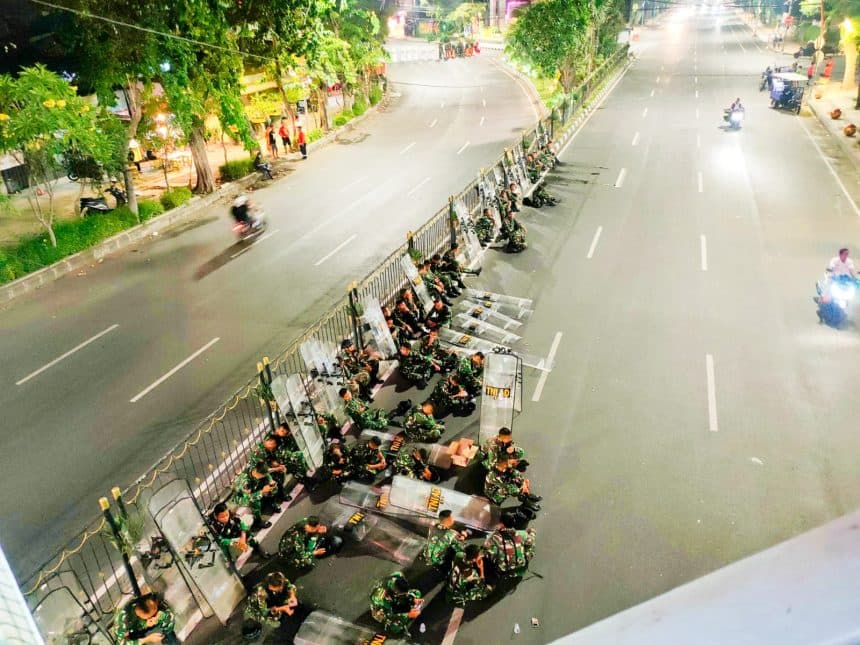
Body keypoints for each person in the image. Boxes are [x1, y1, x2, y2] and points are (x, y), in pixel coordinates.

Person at [483, 512, 536, 581]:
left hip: (504, 571)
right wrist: (532, 531)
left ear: (501, 524)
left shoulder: (495, 538)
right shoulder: (521, 534)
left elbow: (485, 550)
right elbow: (531, 540)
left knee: (489, 553)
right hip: (520, 569)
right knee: (530, 544)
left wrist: (493, 534)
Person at [278, 515, 343, 568]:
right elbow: (302, 555)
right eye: (317, 528)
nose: (320, 528)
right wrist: (315, 552)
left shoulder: (306, 521)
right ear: (311, 528)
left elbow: (310, 531)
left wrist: (317, 531)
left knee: (315, 540)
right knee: (307, 561)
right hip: (290, 552)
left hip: (298, 543)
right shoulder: (298, 540)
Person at [369, 572, 423, 636]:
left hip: (393, 597)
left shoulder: (398, 575)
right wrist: (408, 615)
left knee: (417, 593)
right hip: (384, 609)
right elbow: (393, 611)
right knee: (396, 628)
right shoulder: (380, 598)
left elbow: (406, 593)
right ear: (396, 591)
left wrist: (413, 599)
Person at [231, 460, 278, 529]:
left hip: (253, 488)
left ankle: (271, 503)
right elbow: (248, 497)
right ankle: (258, 521)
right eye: (262, 475)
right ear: (256, 472)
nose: (263, 476)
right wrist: (262, 491)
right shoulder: (244, 482)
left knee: (273, 487)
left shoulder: (257, 468)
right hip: (241, 498)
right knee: (255, 502)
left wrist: (271, 481)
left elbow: (267, 474)